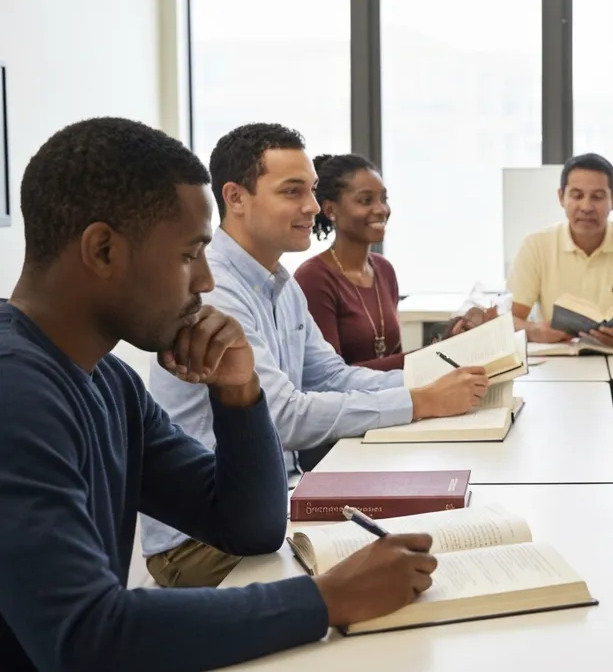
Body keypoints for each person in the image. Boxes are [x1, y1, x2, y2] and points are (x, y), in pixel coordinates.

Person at [0, 117, 440, 671]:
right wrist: (328, 599)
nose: (206, 281)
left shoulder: (110, 384)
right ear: (104, 251)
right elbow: (87, 638)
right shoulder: (16, 393)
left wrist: (240, 392)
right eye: (189, 255)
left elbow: (249, 528)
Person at [141, 124, 488, 589]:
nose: (311, 207)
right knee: (406, 572)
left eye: (312, 191)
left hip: (273, 505)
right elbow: (281, 416)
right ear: (235, 197)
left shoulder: (279, 283)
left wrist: (431, 384)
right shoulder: (218, 289)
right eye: (292, 192)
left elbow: (332, 377)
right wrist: (422, 402)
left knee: (438, 537)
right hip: (203, 540)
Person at [507, 153, 613, 350]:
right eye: (577, 195)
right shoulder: (535, 245)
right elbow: (509, 320)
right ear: (561, 197)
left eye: (597, 197)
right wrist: (536, 331)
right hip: (558, 363)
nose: (586, 207)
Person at [295, 153, 406, 370]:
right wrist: (427, 355)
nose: (381, 209)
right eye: (366, 200)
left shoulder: (384, 270)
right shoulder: (314, 279)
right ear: (330, 210)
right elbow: (329, 377)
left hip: (391, 398)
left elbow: (395, 356)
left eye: (383, 199)